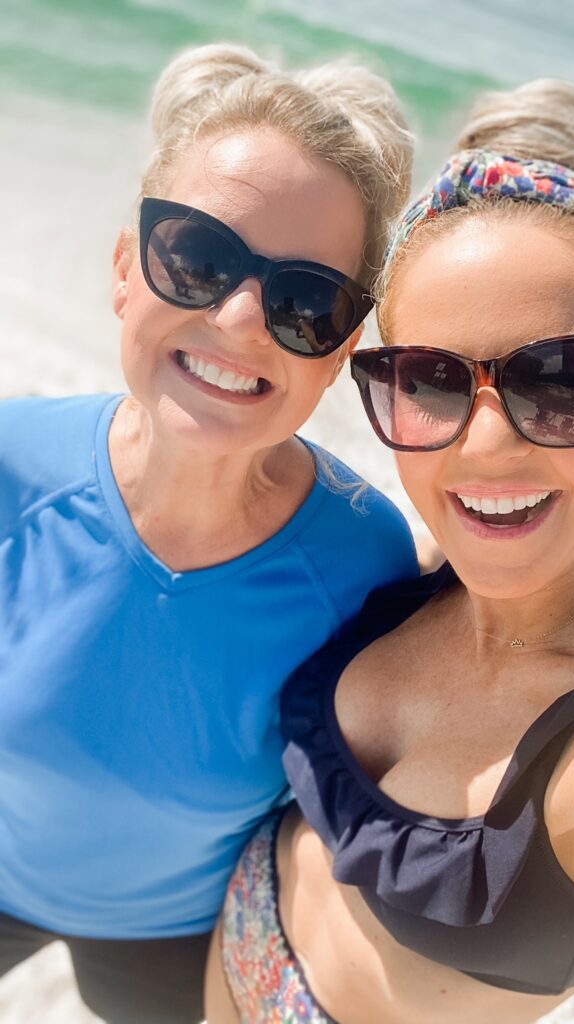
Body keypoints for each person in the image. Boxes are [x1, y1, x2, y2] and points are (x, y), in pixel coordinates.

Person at [207, 79, 574, 1024]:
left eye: (561, 380)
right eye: (428, 379)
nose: (486, 446)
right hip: (228, 945)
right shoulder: (436, 564)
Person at [0, 42, 419, 1024]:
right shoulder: (11, 467)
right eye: (197, 258)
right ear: (122, 270)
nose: (238, 320)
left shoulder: (364, 569)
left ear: (340, 354)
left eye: (306, 302)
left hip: (172, 934)